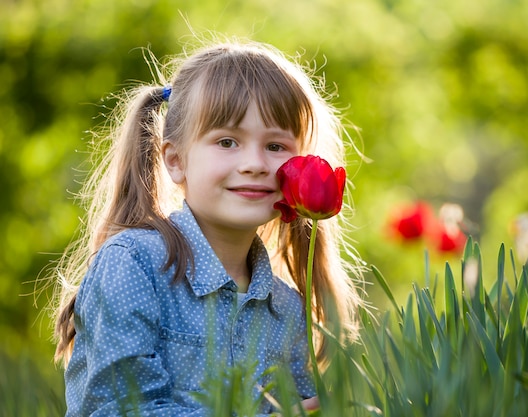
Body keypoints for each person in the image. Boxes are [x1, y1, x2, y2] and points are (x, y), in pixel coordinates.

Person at [52, 36, 363, 416]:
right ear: (175, 160)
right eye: (228, 141)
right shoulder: (134, 264)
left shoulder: (286, 307)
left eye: (276, 146)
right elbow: (121, 409)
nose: (255, 163)